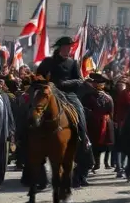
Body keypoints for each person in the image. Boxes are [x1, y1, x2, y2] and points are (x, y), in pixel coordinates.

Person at [33, 36, 93, 187]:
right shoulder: (48, 61)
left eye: (70, 47)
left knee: (79, 110)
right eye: (67, 47)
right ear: (60, 48)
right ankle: (27, 135)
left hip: (68, 94)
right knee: (33, 108)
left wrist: (66, 83)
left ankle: (83, 136)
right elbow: (38, 75)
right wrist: (45, 83)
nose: (69, 49)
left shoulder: (73, 63)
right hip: (50, 92)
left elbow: (79, 80)